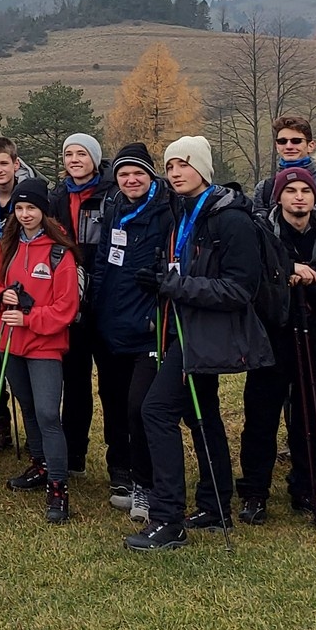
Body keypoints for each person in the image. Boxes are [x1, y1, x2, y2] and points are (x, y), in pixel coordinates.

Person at [127, 137, 271, 553]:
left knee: (156, 411)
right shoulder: (185, 211)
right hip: (182, 328)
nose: (175, 173)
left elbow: (240, 289)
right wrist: (162, 281)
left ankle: (167, 518)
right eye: (170, 166)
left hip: (207, 332)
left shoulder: (230, 218)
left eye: (184, 165)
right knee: (202, 414)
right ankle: (214, 505)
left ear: (203, 169)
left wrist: (174, 285)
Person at [235, 166, 316, 524]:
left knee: (309, 420)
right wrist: (285, 273)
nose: (298, 197)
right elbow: (250, 285)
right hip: (272, 340)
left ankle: (306, 489)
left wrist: (315, 279)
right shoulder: (262, 236)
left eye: (305, 191)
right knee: (260, 420)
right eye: (290, 191)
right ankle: (254, 493)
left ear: (314, 197)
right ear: (278, 197)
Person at [0, 177, 78, 522]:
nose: (24, 214)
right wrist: (0, 296)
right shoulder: (7, 245)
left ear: (43, 211)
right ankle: (40, 464)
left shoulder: (59, 252)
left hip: (44, 344)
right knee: (28, 407)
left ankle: (58, 487)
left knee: (48, 413)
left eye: (31, 208)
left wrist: (29, 318)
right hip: (10, 341)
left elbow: (66, 307)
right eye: (19, 208)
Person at [84, 144, 171, 522]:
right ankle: (121, 472)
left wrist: (157, 314)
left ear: (150, 174)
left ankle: (146, 485)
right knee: (115, 403)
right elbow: (105, 261)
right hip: (112, 324)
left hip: (148, 329)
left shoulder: (167, 210)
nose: (131, 179)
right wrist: (96, 308)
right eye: (124, 174)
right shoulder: (114, 207)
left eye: (138, 173)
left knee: (140, 408)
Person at [51, 133, 108, 480]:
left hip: (106, 298)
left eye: (82, 154)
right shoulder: (57, 196)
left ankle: (122, 465)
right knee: (74, 382)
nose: (74, 160)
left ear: (95, 159)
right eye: (69, 154)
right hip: (69, 299)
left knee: (112, 386)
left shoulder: (111, 194)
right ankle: (74, 455)